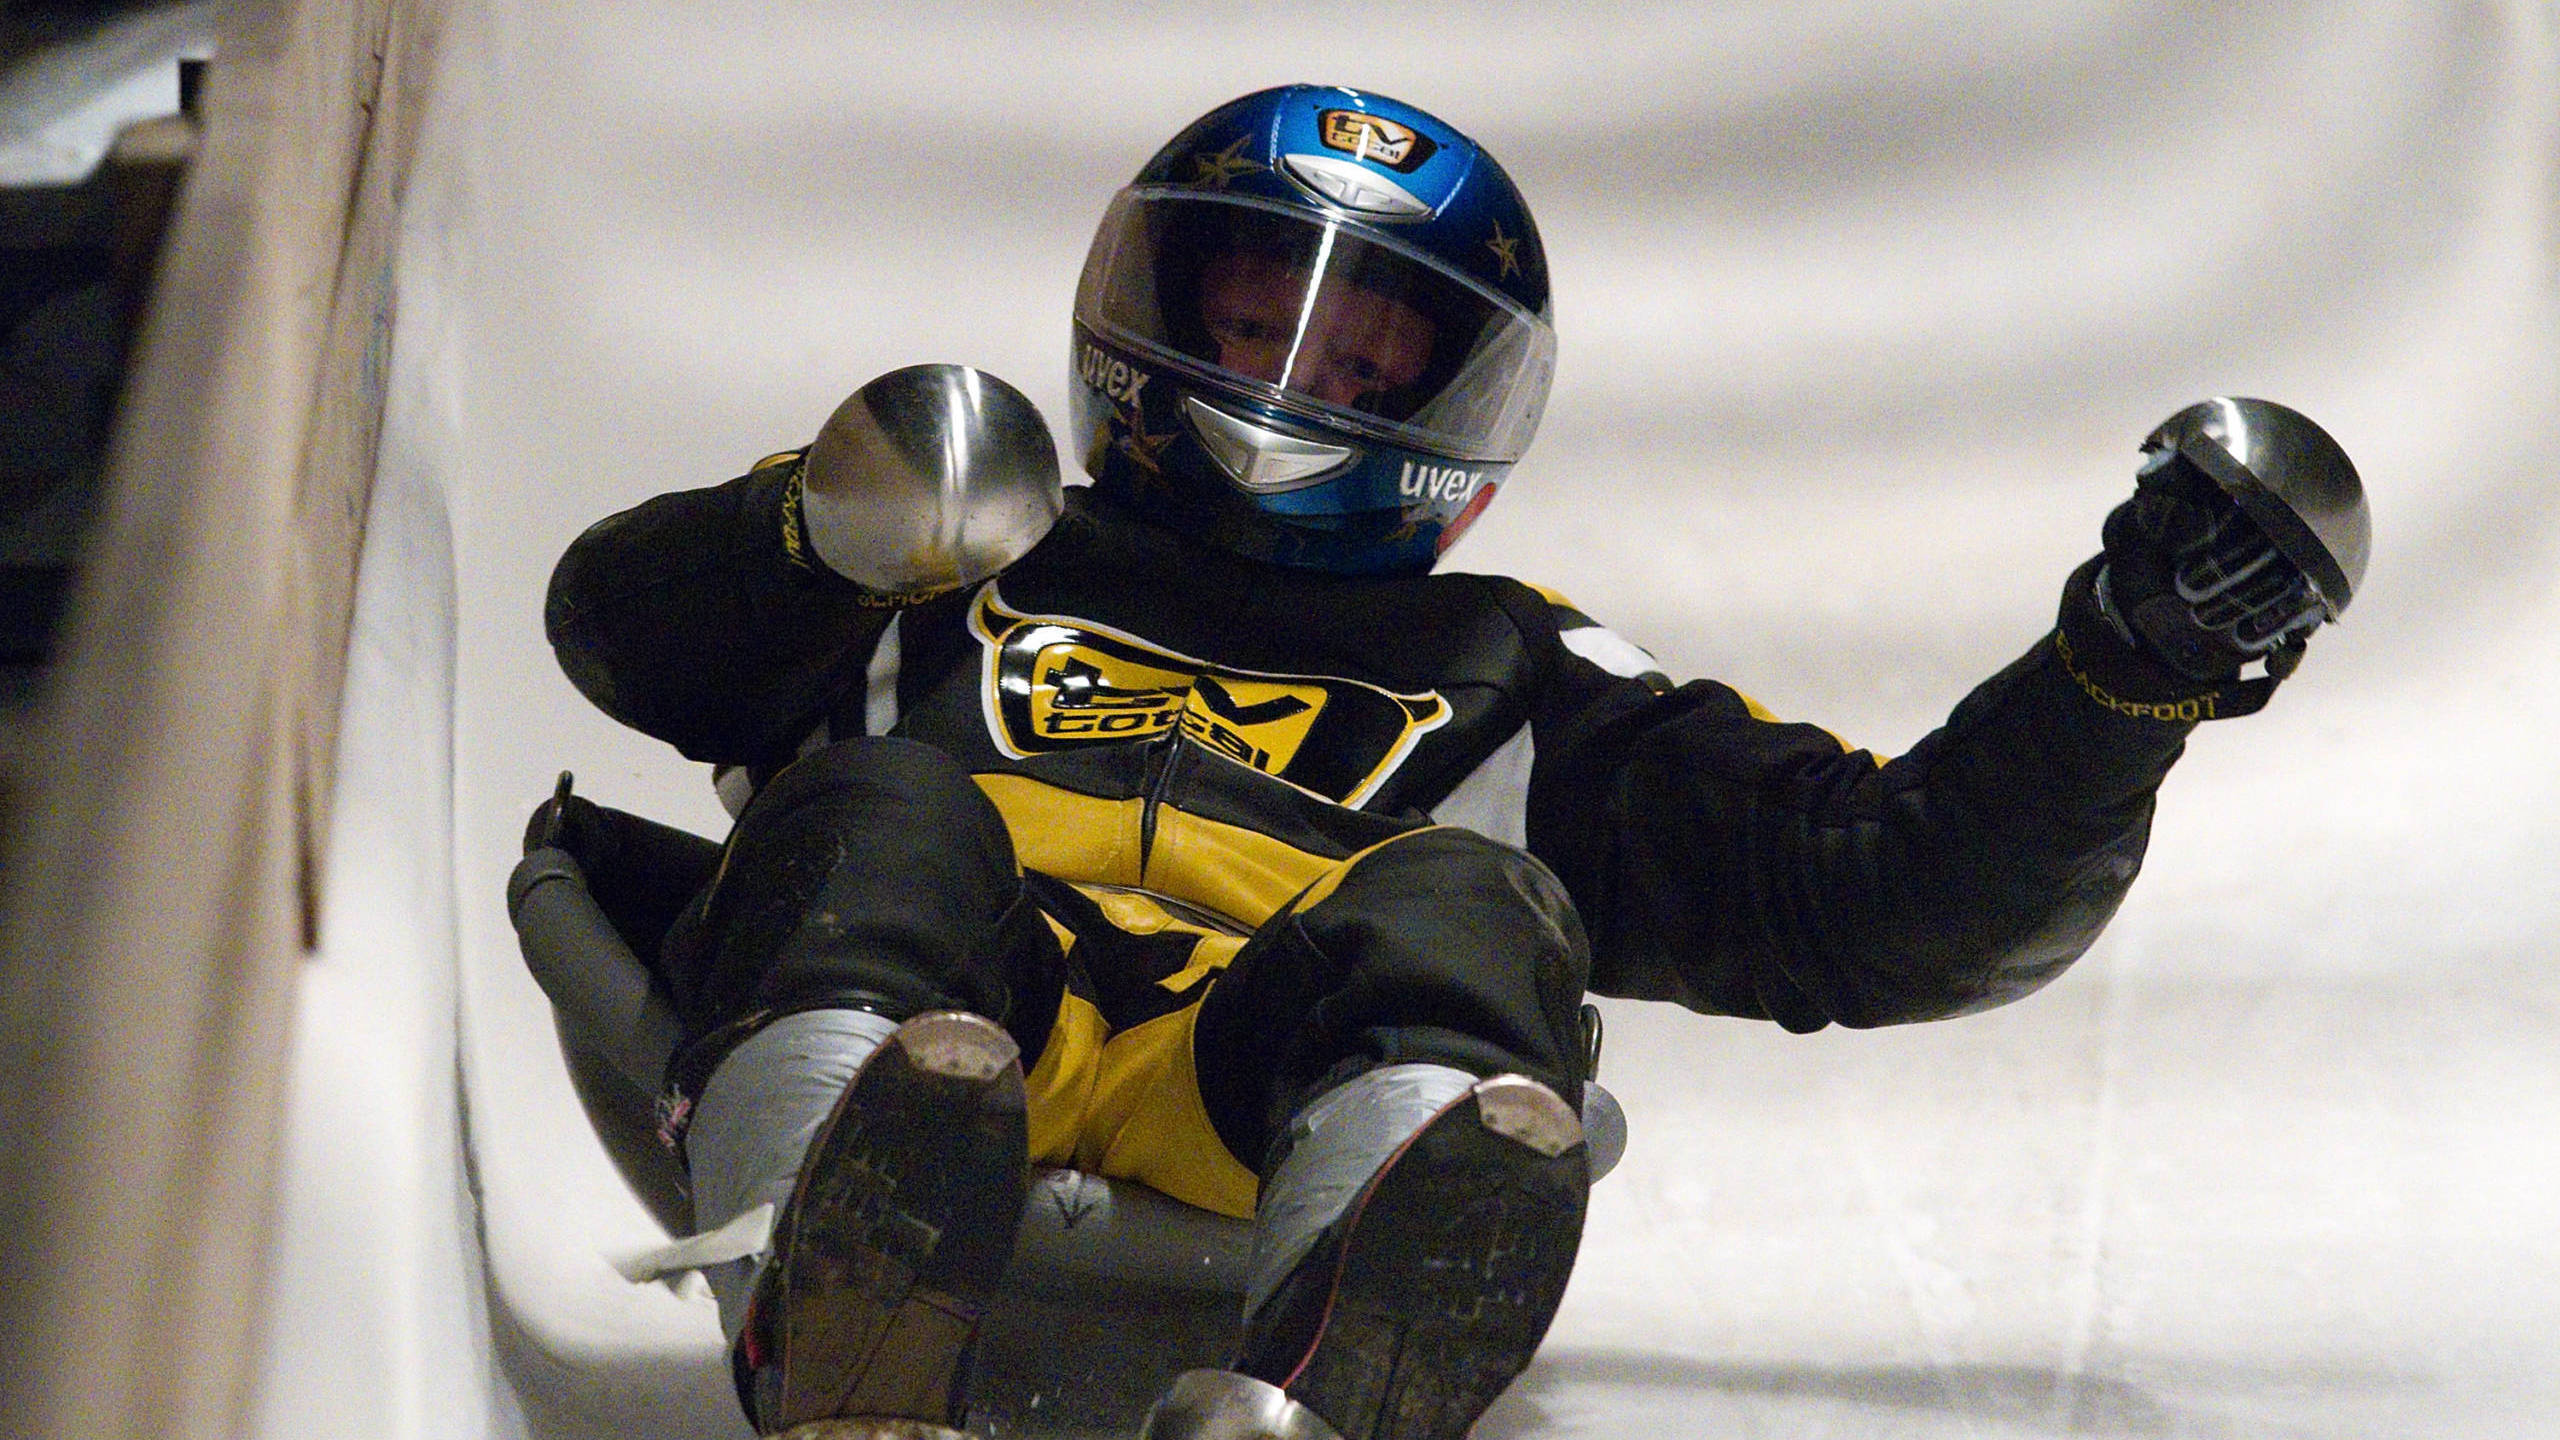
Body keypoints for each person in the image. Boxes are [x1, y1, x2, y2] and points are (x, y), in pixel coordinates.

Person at [532, 85, 2366, 1440]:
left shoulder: (1517, 666)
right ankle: (836, 1280)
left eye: (1365, 356)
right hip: (931, 1002)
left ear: (1450, 403)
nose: (1293, 387)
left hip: (1255, 1082)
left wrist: (2122, 679)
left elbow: (1884, 898)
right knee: (880, 806)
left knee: (1474, 899)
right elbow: (619, 636)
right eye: (1255, 323)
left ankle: (1333, 1378)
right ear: (1152, 310)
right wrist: (816, 523)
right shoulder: (971, 537)